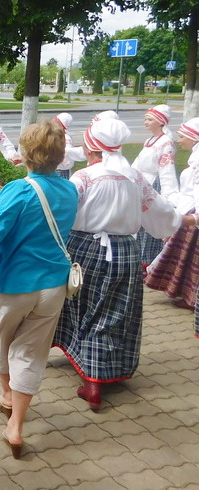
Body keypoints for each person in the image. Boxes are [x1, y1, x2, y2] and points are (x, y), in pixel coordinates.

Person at [52, 118, 189, 411]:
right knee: (116, 310)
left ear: (91, 147)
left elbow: (62, 213)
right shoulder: (136, 178)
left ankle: (92, 380)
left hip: (85, 248)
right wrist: (179, 222)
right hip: (126, 251)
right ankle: (105, 368)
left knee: (81, 303)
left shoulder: (84, 178)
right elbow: (162, 213)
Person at [0, 120, 78, 458]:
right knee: (31, 353)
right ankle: (16, 423)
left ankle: (6, 395)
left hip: (13, 284)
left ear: (26, 153)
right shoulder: (70, 189)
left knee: (3, 343)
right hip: (53, 286)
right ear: (60, 156)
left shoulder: (18, 190)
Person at [145, 117, 199, 315]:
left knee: (190, 259)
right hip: (188, 207)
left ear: (194, 138)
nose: (179, 140)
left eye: (183, 136)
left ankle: (192, 298)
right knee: (186, 258)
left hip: (194, 213)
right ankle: (188, 294)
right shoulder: (195, 158)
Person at [131, 105, 179, 265]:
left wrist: (169, 195)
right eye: (145, 118)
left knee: (152, 223)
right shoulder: (150, 140)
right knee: (141, 223)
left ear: (160, 122)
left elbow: (167, 169)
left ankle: (149, 261)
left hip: (154, 185)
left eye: (149, 119)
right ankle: (141, 258)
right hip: (143, 183)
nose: (145, 122)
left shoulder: (166, 143)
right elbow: (138, 163)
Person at [53, 113, 86, 179]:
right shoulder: (55, 135)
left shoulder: (66, 138)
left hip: (61, 170)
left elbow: (67, 153)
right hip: (55, 169)